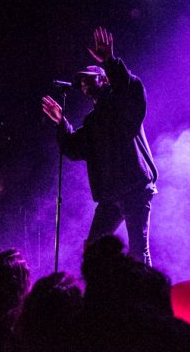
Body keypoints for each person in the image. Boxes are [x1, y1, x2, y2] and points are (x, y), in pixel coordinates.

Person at [41, 27, 158, 265]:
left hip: (135, 188)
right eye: (81, 82)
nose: (83, 84)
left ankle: (147, 288)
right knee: (93, 250)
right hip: (111, 195)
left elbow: (132, 89)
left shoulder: (122, 104)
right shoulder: (93, 122)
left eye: (88, 78)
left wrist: (110, 61)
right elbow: (73, 148)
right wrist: (61, 122)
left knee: (138, 251)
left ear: (104, 80)